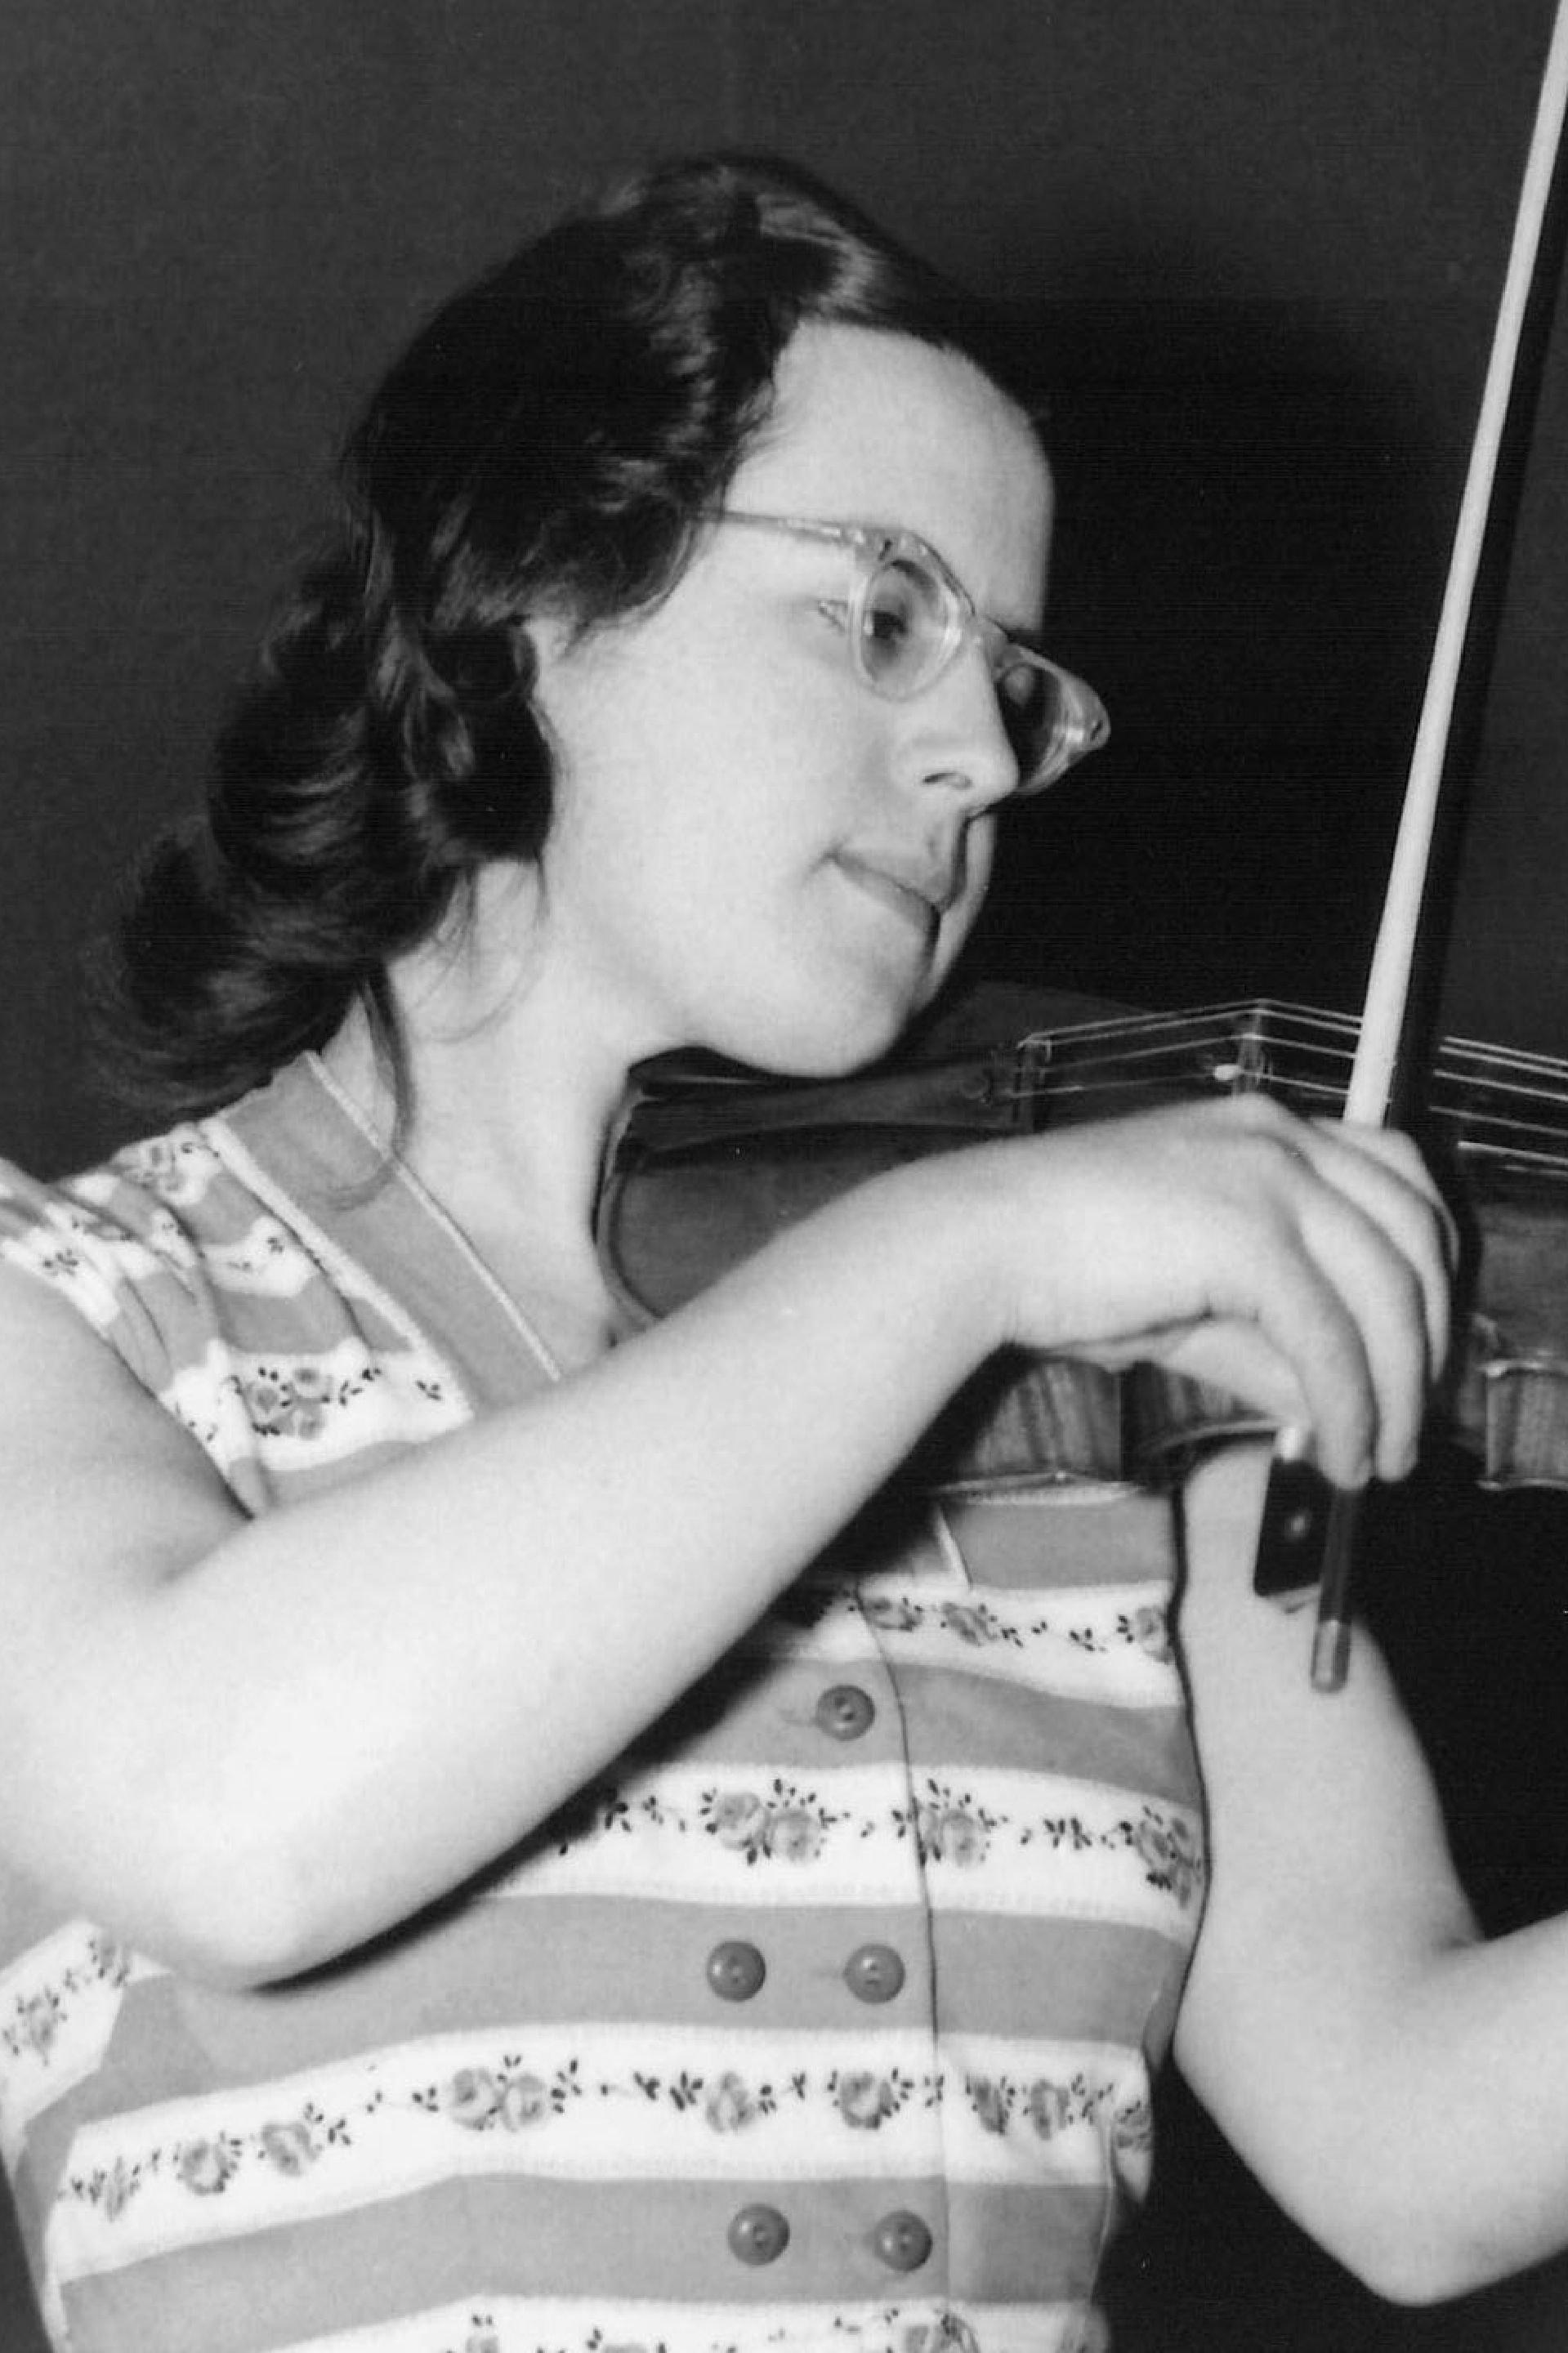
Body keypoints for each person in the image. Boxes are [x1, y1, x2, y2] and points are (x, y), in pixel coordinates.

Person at [0, 151, 1542, 2353]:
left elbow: (1408, 2147)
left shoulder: (1111, 1419)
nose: (980, 755)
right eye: (887, 613)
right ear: (538, 586)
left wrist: (996, 1267)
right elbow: (216, 1821)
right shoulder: (82, 1311)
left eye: (1019, 684)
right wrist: (969, 1244)